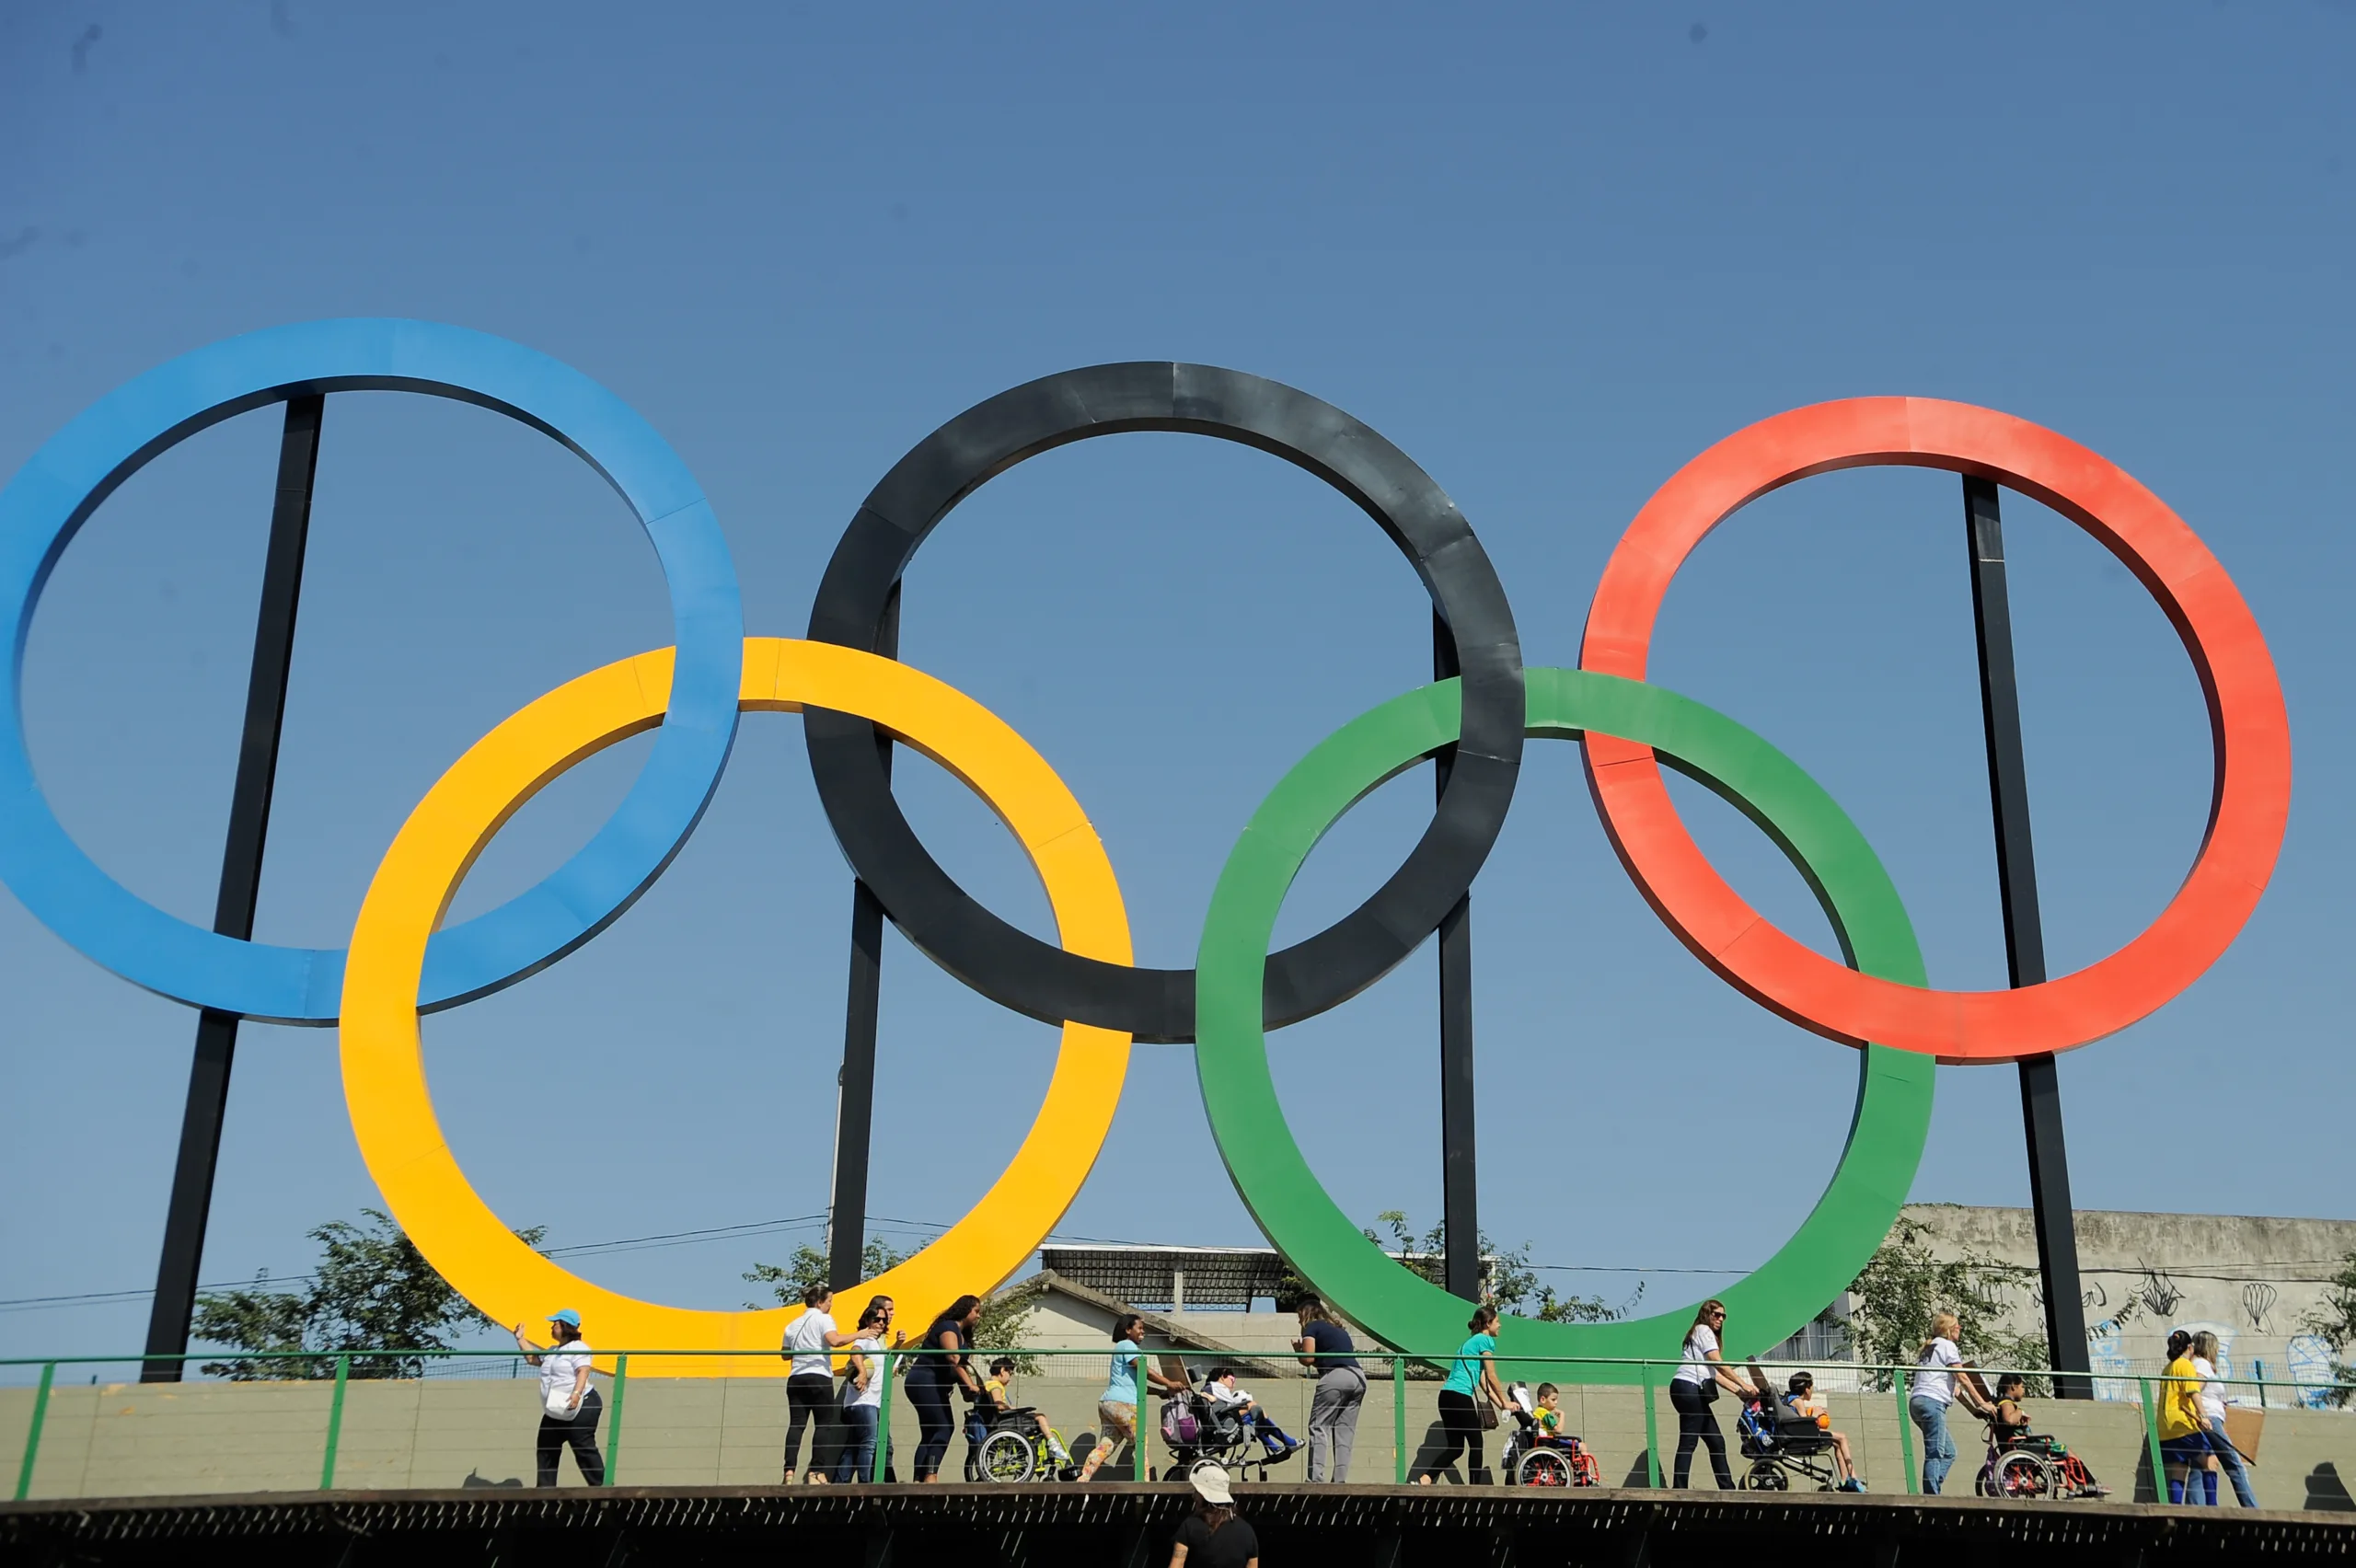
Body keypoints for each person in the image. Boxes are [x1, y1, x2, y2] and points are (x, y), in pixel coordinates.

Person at [1080, 1312, 1187, 1481]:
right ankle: (1143, 1483)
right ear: (1128, 1329)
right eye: (1140, 1328)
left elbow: (1135, 1383)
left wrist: (1160, 1392)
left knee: (1106, 1445)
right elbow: (1144, 1370)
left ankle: (1083, 1479)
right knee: (1140, 1442)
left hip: (1109, 1403)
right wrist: (1169, 1383)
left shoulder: (1121, 1347)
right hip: (1124, 1404)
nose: (1143, 1332)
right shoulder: (1127, 1345)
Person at [1414, 1304, 1509, 1483]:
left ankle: (1425, 1479)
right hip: (1460, 1396)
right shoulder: (1485, 1340)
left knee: (1456, 1447)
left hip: (1446, 1396)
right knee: (1476, 1443)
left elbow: (1482, 1382)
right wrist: (1506, 1399)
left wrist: (1502, 1404)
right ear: (1488, 1323)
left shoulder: (1469, 1343)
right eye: (1497, 1321)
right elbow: (1491, 1375)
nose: (1500, 1325)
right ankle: (1473, 1488)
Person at [1668, 1299, 1754, 1490]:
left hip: (1687, 1389)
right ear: (1707, 1314)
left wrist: (1740, 1392)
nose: (1721, 1319)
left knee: (1716, 1442)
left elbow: (1713, 1374)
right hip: (1689, 1388)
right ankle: (1679, 1490)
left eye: (1724, 1316)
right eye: (1717, 1314)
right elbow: (1717, 1362)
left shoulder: (1697, 1334)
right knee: (1688, 1441)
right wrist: (1743, 1383)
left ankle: (1728, 1489)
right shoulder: (1703, 1330)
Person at [514, 1309, 605, 1487]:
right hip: (555, 1407)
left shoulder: (578, 1347)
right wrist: (520, 1339)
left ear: (565, 1326)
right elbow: (533, 1360)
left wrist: (576, 1394)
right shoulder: (553, 1350)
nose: (552, 1327)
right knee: (546, 1448)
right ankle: (545, 1493)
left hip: (582, 1404)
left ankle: (602, 1489)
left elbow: (583, 1371)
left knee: (583, 1447)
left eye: (554, 1324)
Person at [780, 1282, 859, 1483]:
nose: (831, 1305)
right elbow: (835, 1341)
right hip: (818, 1376)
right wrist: (861, 1334)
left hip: (796, 1377)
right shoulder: (824, 1319)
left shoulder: (792, 1325)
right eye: (830, 1301)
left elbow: (785, 1355)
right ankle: (816, 1471)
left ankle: (789, 1471)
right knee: (823, 1425)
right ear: (820, 1302)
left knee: (796, 1425)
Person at [1908, 1310, 1990, 1495]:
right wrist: (1983, 1403)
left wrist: (1973, 1411)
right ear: (1949, 1330)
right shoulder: (1947, 1346)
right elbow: (1963, 1377)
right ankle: (1931, 1498)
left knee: (1949, 1452)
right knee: (1935, 1452)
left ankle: (1934, 1486)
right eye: (1958, 1326)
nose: (1960, 1329)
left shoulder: (1930, 1348)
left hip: (1917, 1402)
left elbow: (1955, 1389)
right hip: (1932, 1403)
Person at [907, 1296, 986, 1482]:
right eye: (976, 1311)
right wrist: (970, 1384)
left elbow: (958, 1368)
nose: (978, 1316)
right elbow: (953, 1358)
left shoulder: (962, 1336)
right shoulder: (948, 1327)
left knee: (930, 1432)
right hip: (925, 1381)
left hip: (934, 1385)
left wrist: (970, 1390)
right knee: (944, 1427)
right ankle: (930, 1476)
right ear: (965, 1310)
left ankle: (919, 1479)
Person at [1293, 1296, 1367, 1483]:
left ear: (1305, 1315)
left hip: (1336, 1377)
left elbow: (1309, 1359)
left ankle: (1315, 1480)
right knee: (1344, 1431)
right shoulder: (1337, 1329)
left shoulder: (1312, 1327)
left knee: (1319, 1426)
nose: (1299, 1321)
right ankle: (1339, 1481)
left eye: (1299, 1317)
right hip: (1357, 1376)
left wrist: (1298, 1352)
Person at [832, 1296, 898, 1483]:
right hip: (864, 1402)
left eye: (884, 1320)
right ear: (867, 1320)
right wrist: (861, 1372)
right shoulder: (867, 1338)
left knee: (854, 1445)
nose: (881, 1323)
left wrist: (899, 1345)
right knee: (870, 1443)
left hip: (873, 1402)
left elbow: (884, 1361)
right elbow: (855, 1351)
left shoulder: (878, 1342)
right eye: (876, 1319)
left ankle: (840, 1482)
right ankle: (865, 1483)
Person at [2190, 1331, 2257, 1508]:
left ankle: (2195, 1507)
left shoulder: (2194, 1363)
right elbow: (2195, 1389)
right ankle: (2251, 1509)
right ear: (2210, 1347)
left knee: (2199, 1464)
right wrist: (2204, 1413)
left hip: (2205, 1417)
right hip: (2209, 1419)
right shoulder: (2203, 1364)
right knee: (2235, 1465)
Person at [2158, 1328, 2215, 1505]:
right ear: (2190, 1347)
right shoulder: (2185, 1365)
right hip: (2182, 1424)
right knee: (2211, 1461)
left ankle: (2176, 1507)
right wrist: (2203, 1416)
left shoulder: (2168, 1368)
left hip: (2166, 1427)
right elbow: (2193, 1391)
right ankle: (2213, 1506)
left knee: (2179, 1467)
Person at [1169, 1460, 1259, 1567]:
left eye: (1197, 1492)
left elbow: (1176, 1566)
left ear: (1203, 1495)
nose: (1194, 1496)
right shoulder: (1247, 1531)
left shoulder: (1190, 1526)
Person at [1785, 1371, 1864, 1491]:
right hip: (1803, 1438)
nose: (1812, 1390)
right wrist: (1815, 1415)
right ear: (1807, 1389)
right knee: (1842, 1437)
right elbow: (1804, 1424)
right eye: (1812, 1387)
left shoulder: (1790, 1399)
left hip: (1798, 1434)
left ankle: (1844, 1480)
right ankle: (1853, 1476)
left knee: (1837, 1443)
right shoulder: (1798, 1401)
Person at [1203, 1367, 1302, 1458]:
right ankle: (1286, 1442)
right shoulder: (1217, 1387)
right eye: (1232, 1380)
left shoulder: (1210, 1388)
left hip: (1222, 1420)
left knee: (1254, 1419)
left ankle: (1276, 1446)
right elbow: (1229, 1407)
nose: (1234, 1384)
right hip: (1224, 1422)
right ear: (1222, 1377)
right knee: (1253, 1407)